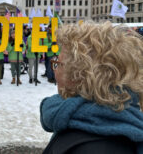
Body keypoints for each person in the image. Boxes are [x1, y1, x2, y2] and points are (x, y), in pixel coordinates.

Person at [41, 22, 143, 154]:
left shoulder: (96, 147)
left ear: (79, 76)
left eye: (58, 64)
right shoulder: (123, 120)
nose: (54, 71)